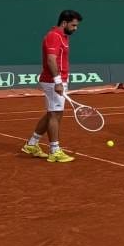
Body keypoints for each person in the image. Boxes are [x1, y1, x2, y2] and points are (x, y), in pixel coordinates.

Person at [22, 9, 83, 163]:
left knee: (53, 113)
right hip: (52, 81)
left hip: (58, 79)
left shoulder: (62, 36)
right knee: (55, 115)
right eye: (74, 25)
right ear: (64, 22)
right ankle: (54, 151)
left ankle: (32, 144)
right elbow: (50, 60)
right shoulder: (54, 36)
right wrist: (57, 81)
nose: (76, 28)